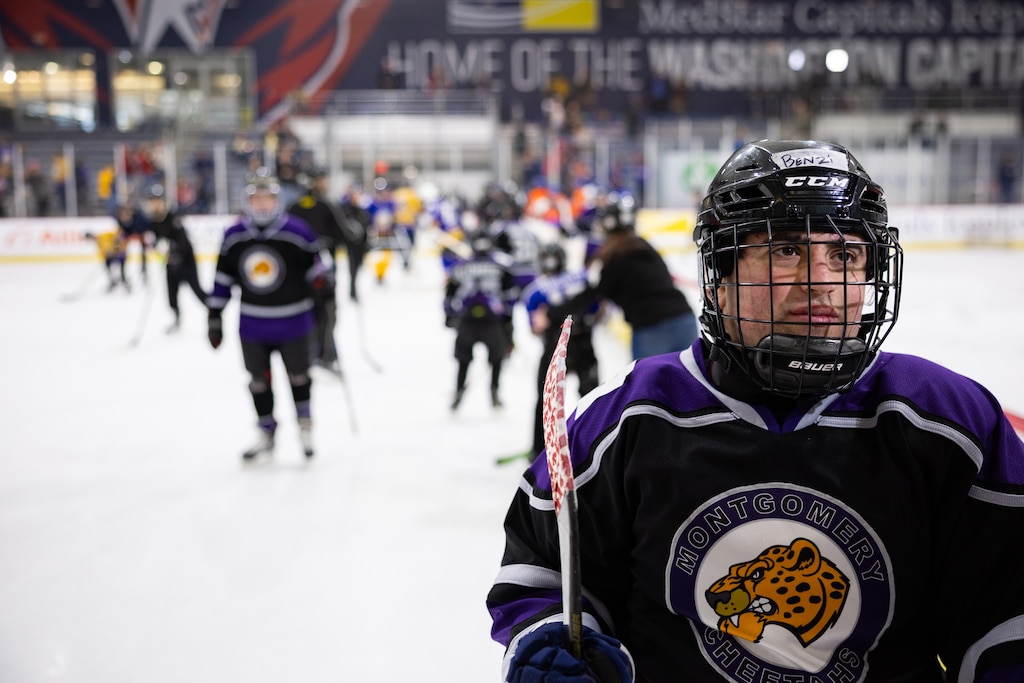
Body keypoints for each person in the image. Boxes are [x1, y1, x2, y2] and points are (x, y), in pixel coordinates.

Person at [486, 140, 1024, 682]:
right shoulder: (623, 421)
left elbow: (1006, 612)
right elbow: (545, 572)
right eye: (786, 250)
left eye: (845, 255)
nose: (822, 284)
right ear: (720, 277)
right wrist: (546, 639)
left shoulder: (950, 423)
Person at [206, 173, 333, 462]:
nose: (262, 204)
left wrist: (324, 282)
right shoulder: (234, 235)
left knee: (299, 377)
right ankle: (266, 431)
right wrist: (215, 314)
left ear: (277, 200)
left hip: (294, 322)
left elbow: (317, 266)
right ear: (248, 201)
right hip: (253, 325)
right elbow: (223, 277)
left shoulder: (298, 231)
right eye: (256, 198)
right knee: (258, 382)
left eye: (267, 198)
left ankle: (305, 426)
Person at [542, 192, 697, 360]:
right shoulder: (643, 246)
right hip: (684, 320)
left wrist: (550, 314)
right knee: (686, 384)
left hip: (651, 327)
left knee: (645, 385)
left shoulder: (614, 258)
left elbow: (590, 296)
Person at [519, 241, 599, 460]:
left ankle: (539, 450)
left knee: (545, 400)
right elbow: (599, 310)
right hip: (582, 341)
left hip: (556, 347)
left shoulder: (535, 291)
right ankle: (597, 442)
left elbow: (537, 327)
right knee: (592, 396)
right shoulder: (581, 277)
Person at [287, 168, 360, 368]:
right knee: (327, 312)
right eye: (322, 179)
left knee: (308, 312)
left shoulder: (293, 207)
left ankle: (315, 354)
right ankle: (324, 354)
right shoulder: (328, 206)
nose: (325, 183)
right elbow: (347, 235)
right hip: (323, 272)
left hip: (299, 273)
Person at [443, 228, 517, 411]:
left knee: (496, 358)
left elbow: (509, 294)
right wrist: (449, 314)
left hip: (490, 320)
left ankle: (494, 391)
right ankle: (460, 391)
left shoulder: (501, 265)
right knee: (464, 359)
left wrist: (508, 321)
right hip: (470, 319)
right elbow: (449, 292)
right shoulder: (463, 265)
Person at [143, 185, 206, 332]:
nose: (155, 204)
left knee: (198, 292)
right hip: (170, 265)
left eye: (157, 200)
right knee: (172, 295)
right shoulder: (152, 222)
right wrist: (155, 247)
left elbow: (184, 244)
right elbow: (154, 242)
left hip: (187, 263)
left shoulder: (173, 218)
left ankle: (213, 314)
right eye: (152, 201)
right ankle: (176, 319)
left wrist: (173, 250)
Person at [114, 201, 152, 285]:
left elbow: (146, 227)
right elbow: (121, 231)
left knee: (143, 252)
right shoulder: (120, 219)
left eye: (126, 214)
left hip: (140, 233)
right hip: (129, 234)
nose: (124, 216)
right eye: (122, 215)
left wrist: (139, 235)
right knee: (121, 251)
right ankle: (122, 274)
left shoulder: (140, 218)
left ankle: (144, 272)